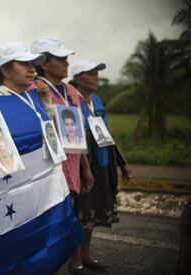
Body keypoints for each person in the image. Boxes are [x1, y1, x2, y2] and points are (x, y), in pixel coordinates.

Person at [31, 36, 94, 274]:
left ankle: (75, 257)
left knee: (72, 212)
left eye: (66, 59)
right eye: (60, 59)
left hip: (73, 164)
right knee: (51, 219)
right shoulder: (34, 89)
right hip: (49, 166)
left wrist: (85, 167)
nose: (66, 63)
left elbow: (79, 133)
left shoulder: (71, 91)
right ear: (43, 63)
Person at [70, 58, 131, 273]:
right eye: (91, 73)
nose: (96, 77)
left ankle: (87, 255)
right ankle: (75, 257)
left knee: (93, 215)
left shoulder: (96, 101)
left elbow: (106, 134)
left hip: (103, 163)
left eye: (97, 73)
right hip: (83, 164)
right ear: (78, 77)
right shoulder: (71, 100)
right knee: (81, 213)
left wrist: (121, 163)